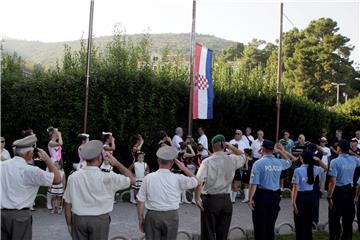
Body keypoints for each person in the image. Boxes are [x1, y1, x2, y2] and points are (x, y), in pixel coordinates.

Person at [63, 140, 135, 240]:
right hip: (99, 219)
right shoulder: (108, 176)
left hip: (79, 219)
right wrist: (117, 163)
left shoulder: (73, 177)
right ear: (99, 158)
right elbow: (132, 180)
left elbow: (67, 203)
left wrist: (69, 224)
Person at [1, 134, 61, 240]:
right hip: (20, 216)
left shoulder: (2, 166)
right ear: (29, 153)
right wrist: (48, 159)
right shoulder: (31, 170)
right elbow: (57, 179)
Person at [137, 146, 199, 240]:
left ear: (158, 161)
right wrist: (183, 168)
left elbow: (140, 200)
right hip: (171, 216)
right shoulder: (178, 178)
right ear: (172, 163)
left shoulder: (148, 178)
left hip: (153, 216)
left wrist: (141, 219)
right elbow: (197, 182)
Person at [195, 134, 246, 240]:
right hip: (226, 199)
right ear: (224, 146)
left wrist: (197, 198)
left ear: (212, 146)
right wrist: (231, 146)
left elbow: (198, 181)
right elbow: (243, 156)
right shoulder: (231, 159)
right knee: (222, 234)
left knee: (208, 233)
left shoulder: (207, 161)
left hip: (211, 199)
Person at [248, 140, 293, 240]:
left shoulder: (258, 163)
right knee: (270, 224)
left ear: (262, 149)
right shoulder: (278, 162)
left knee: (260, 225)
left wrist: (250, 198)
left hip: (262, 195)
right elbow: (289, 162)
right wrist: (281, 151)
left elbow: (254, 183)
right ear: (273, 150)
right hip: (275, 196)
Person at [327, 139, 360, 240]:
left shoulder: (335, 161)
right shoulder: (355, 160)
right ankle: (347, 237)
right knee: (348, 219)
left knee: (334, 218)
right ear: (349, 149)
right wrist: (351, 153)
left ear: (339, 148)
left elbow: (333, 182)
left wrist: (329, 196)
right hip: (350, 191)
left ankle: (335, 237)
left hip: (338, 191)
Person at [291, 150, 327, 240]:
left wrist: (293, 203)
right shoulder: (314, 168)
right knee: (308, 220)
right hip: (311, 196)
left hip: (300, 197)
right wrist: (318, 160)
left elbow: (295, 188)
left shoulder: (298, 170)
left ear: (302, 159)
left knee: (299, 222)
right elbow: (326, 168)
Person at [47, 127, 63, 210]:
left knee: (58, 181)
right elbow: (61, 143)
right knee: (51, 183)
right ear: (53, 134)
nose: (58, 134)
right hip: (53, 163)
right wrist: (59, 135)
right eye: (56, 133)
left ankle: (57, 203)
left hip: (59, 163)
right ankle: (49, 202)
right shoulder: (51, 143)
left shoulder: (55, 142)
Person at [351, 138, 360, 232]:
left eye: (354, 142)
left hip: (357, 172)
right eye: (352, 142)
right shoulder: (347, 150)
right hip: (350, 172)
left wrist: (352, 153)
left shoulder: (358, 150)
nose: (353, 143)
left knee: (356, 185)